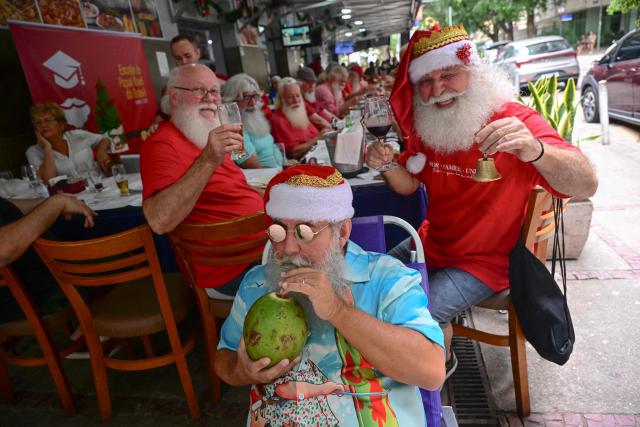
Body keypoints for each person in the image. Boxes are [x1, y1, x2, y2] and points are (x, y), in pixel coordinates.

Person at [366, 25, 598, 378]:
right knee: (369, 278)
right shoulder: (431, 125)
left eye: (448, 74)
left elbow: (587, 182)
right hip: (435, 243)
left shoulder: (514, 121)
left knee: (412, 316)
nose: (437, 89)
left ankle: (435, 371)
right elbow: (409, 186)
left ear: (474, 72)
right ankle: (422, 354)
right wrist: (385, 164)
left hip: (487, 263)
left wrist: (536, 151)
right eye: (425, 81)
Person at [214, 164, 445, 426]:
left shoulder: (387, 279)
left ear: (342, 232)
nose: (288, 248)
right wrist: (241, 371)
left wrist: (338, 311)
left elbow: (431, 371)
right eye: (279, 230)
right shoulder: (257, 283)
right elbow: (224, 357)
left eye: (304, 231)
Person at [141, 64, 264, 298]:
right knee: (322, 274)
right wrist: (208, 159)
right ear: (174, 97)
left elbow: (228, 191)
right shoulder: (161, 144)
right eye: (199, 90)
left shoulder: (202, 134)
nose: (210, 99)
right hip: (232, 268)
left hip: (262, 248)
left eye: (215, 91)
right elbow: (158, 220)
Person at [0, 194, 95, 323]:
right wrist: (55, 203)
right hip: (33, 297)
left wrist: (44, 202)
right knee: (120, 257)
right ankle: (95, 328)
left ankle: (93, 326)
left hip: (50, 275)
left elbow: (4, 206)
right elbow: (3, 250)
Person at [26, 103, 112, 183]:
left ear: (61, 124)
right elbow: (48, 180)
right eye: (38, 122)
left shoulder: (78, 135)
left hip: (101, 184)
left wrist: (101, 152)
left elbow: (105, 138)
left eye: (48, 120)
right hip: (70, 195)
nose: (43, 125)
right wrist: (47, 148)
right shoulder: (33, 152)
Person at [221, 73, 281, 169]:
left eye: (255, 96)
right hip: (264, 179)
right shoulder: (232, 128)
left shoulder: (255, 117)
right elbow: (251, 165)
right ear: (232, 100)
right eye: (246, 97)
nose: (253, 103)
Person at [270, 78, 326, 160]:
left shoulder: (299, 112)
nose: (296, 100)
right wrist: (318, 138)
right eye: (290, 97)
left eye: (298, 95)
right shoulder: (278, 121)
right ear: (282, 100)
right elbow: (293, 153)